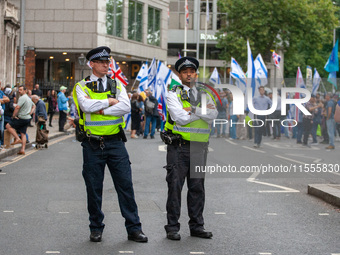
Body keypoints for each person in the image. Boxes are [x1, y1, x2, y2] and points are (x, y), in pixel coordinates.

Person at [73, 46, 147, 243]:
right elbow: (85, 106)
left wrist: (101, 109)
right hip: (92, 144)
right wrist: (110, 101)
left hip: (115, 143)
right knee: (94, 189)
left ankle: (134, 228)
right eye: (102, 62)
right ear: (92, 64)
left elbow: (124, 107)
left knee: (126, 187)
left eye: (108, 61)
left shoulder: (117, 84)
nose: (107, 65)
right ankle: (96, 228)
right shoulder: (81, 86)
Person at [163, 56, 218, 240]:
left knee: (197, 189)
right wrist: (201, 113)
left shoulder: (205, 93)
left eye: (192, 71)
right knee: (175, 188)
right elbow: (180, 117)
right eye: (185, 72)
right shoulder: (173, 93)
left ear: (196, 73)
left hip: (199, 148)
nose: (189, 74)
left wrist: (192, 110)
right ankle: (172, 227)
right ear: (179, 74)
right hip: (179, 147)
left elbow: (213, 114)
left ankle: (197, 226)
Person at [5, 85, 35, 155]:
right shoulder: (28, 98)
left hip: (22, 117)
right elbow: (34, 106)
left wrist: (13, 115)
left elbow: (17, 107)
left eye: (21, 90)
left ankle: (17, 138)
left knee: (8, 126)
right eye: (19, 89)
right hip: (27, 118)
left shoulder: (22, 98)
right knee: (23, 133)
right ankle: (22, 149)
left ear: (25, 91)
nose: (19, 91)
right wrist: (30, 113)